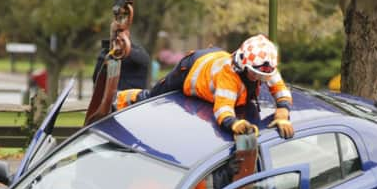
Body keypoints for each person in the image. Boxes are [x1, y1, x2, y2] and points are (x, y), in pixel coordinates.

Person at [115, 34, 294, 138]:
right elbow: (223, 109)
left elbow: (280, 90)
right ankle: (122, 99)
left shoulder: (263, 65)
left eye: (263, 75)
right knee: (153, 97)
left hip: (215, 56)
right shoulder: (229, 75)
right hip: (192, 67)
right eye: (255, 74)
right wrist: (234, 124)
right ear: (242, 63)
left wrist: (283, 114)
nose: (258, 78)